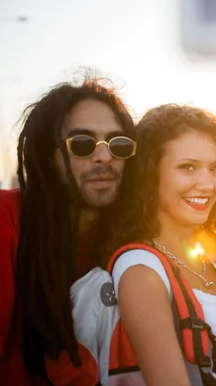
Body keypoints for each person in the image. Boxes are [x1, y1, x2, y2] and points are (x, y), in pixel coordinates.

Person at [103, 104, 216, 384]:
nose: (207, 184)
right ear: (150, 173)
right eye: (188, 167)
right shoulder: (140, 270)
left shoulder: (215, 258)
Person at [0, 78, 137, 385]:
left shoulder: (133, 237)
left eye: (119, 144)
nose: (104, 157)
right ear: (49, 155)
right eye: (83, 144)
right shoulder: (7, 218)